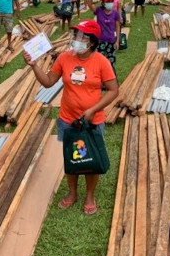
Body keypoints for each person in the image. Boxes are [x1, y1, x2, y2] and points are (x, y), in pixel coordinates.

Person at [23, 20, 118, 215]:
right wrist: (34, 66)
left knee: (91, 158)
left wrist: (92, 110)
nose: (75, 40)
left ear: (91, 42)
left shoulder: (101, 62)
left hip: (93, 121)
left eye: (81, 36)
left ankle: (90, 195)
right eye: (75, 35)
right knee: (72, 158)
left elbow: (113, 90)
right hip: (68, 120)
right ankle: (72, 192)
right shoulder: (65, 58)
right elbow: (49, 82)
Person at [85, 0, 121, 70]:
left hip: (111, 41)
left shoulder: (115, 13)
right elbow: (90, 5)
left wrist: (117, 41)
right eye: (108, 1)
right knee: (98, 62)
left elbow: (118, 27)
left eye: (111, 1)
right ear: (103, 2)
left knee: (111, 65)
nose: (110, 3)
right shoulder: (99, 10)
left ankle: (110, 80)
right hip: (100, 41)